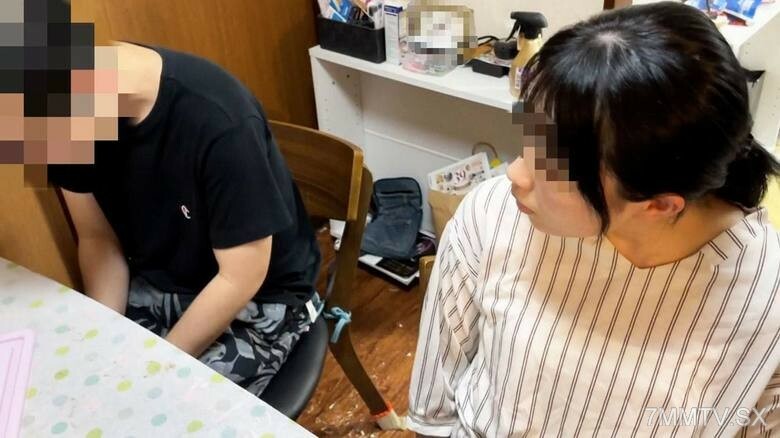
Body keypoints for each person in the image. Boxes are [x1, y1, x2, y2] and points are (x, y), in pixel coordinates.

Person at [408, 3, 780, 436]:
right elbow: (434, 408)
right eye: (529, 138)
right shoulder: (493, 214)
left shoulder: (763, 309)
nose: (515, 174)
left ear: (659, 205)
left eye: (550, 168)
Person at [46, 40, 321, 396]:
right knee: (76, 378)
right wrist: (104, 334)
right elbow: (97, 238)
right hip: (161, 281)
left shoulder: (219, 121)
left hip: (258, 297)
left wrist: (159, 367)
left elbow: (241, 276)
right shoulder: (59, 112)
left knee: (161, 402)